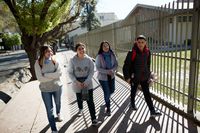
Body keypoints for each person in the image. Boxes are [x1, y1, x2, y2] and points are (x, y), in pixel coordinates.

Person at [123, 35, 161, 118]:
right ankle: (132, 103)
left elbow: (148, 64)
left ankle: (152, 111)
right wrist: (127, 78)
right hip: (135, 77)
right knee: (133, 90)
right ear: (136, 42)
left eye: (142, 42)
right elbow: (126, 66)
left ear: (145, 43)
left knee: (147, 94)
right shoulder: (131, 52)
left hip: (144, 77)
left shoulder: (148, 52)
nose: (140, 44)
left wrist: (148, 74)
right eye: (139, 42)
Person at [68, 42, 99, 126]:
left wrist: (87, 81)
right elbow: (70, 73)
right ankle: (80, 108)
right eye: (79, 49)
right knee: (79, 98)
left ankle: (93, 119)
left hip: (87, 83)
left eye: (83, 48)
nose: (82, 50)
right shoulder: (72, 60)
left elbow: (92, 71)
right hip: (77, 83)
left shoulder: (89, 59)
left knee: (90, 101)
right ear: (76, 51)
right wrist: (76, 81)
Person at [34, 45, 63, 133]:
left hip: (57, 87)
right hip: (45, 89)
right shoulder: (38, 63)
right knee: (49, 110)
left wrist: (46, 75)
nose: (50, 53)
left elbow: (59, 73)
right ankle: (53, 129)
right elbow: (40, 78)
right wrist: (53, 76)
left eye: (50, 51)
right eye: (47, 51)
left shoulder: (55, 60)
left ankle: (58, 113)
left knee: (58, 103)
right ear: (43, 52)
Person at [95, 41, 118, 116]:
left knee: (112, 90)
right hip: (103, 78)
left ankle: (107, 98)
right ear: (101, 48)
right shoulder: (99, 56)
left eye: (107, 46)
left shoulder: (112, 54)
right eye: (104, 46)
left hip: (111, 76)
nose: (106, 47)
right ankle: (108, 108)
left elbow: (116, 64)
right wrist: (107, 71)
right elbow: (98, 68)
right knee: (107, 92)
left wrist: (113, 70)